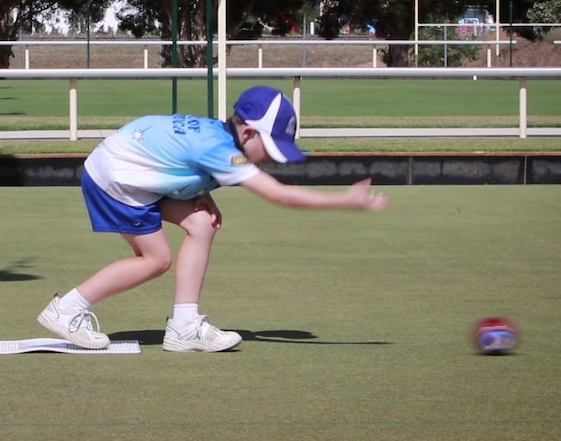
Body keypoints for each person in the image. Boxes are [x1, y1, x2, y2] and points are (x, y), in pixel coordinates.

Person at [38, 85, 388, 353]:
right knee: (155, 260)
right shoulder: (223, 151)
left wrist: (200, 195)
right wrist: (345, 200)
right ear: (248, 133)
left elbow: (177, 159)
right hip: (116, 177)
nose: (273, 159)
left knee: (201, 223)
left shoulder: (218, 135)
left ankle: (184, 326)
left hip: (133, 168)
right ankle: (66, 309)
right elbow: (278, 194)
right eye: (271, 148)